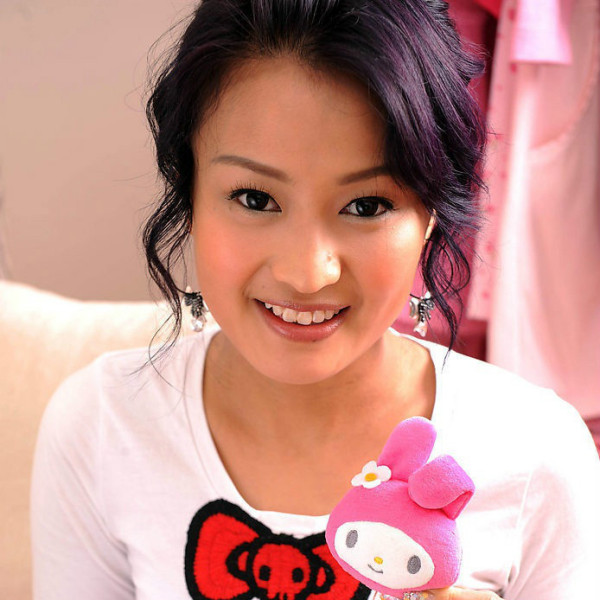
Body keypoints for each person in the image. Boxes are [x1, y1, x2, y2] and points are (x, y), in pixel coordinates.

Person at [30, 1, 600, 599]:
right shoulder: (102, 426)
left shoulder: (539, 452)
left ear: (431, 215)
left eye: (366, 206)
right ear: (189, 191)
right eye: (255, 199)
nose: (307, 274)